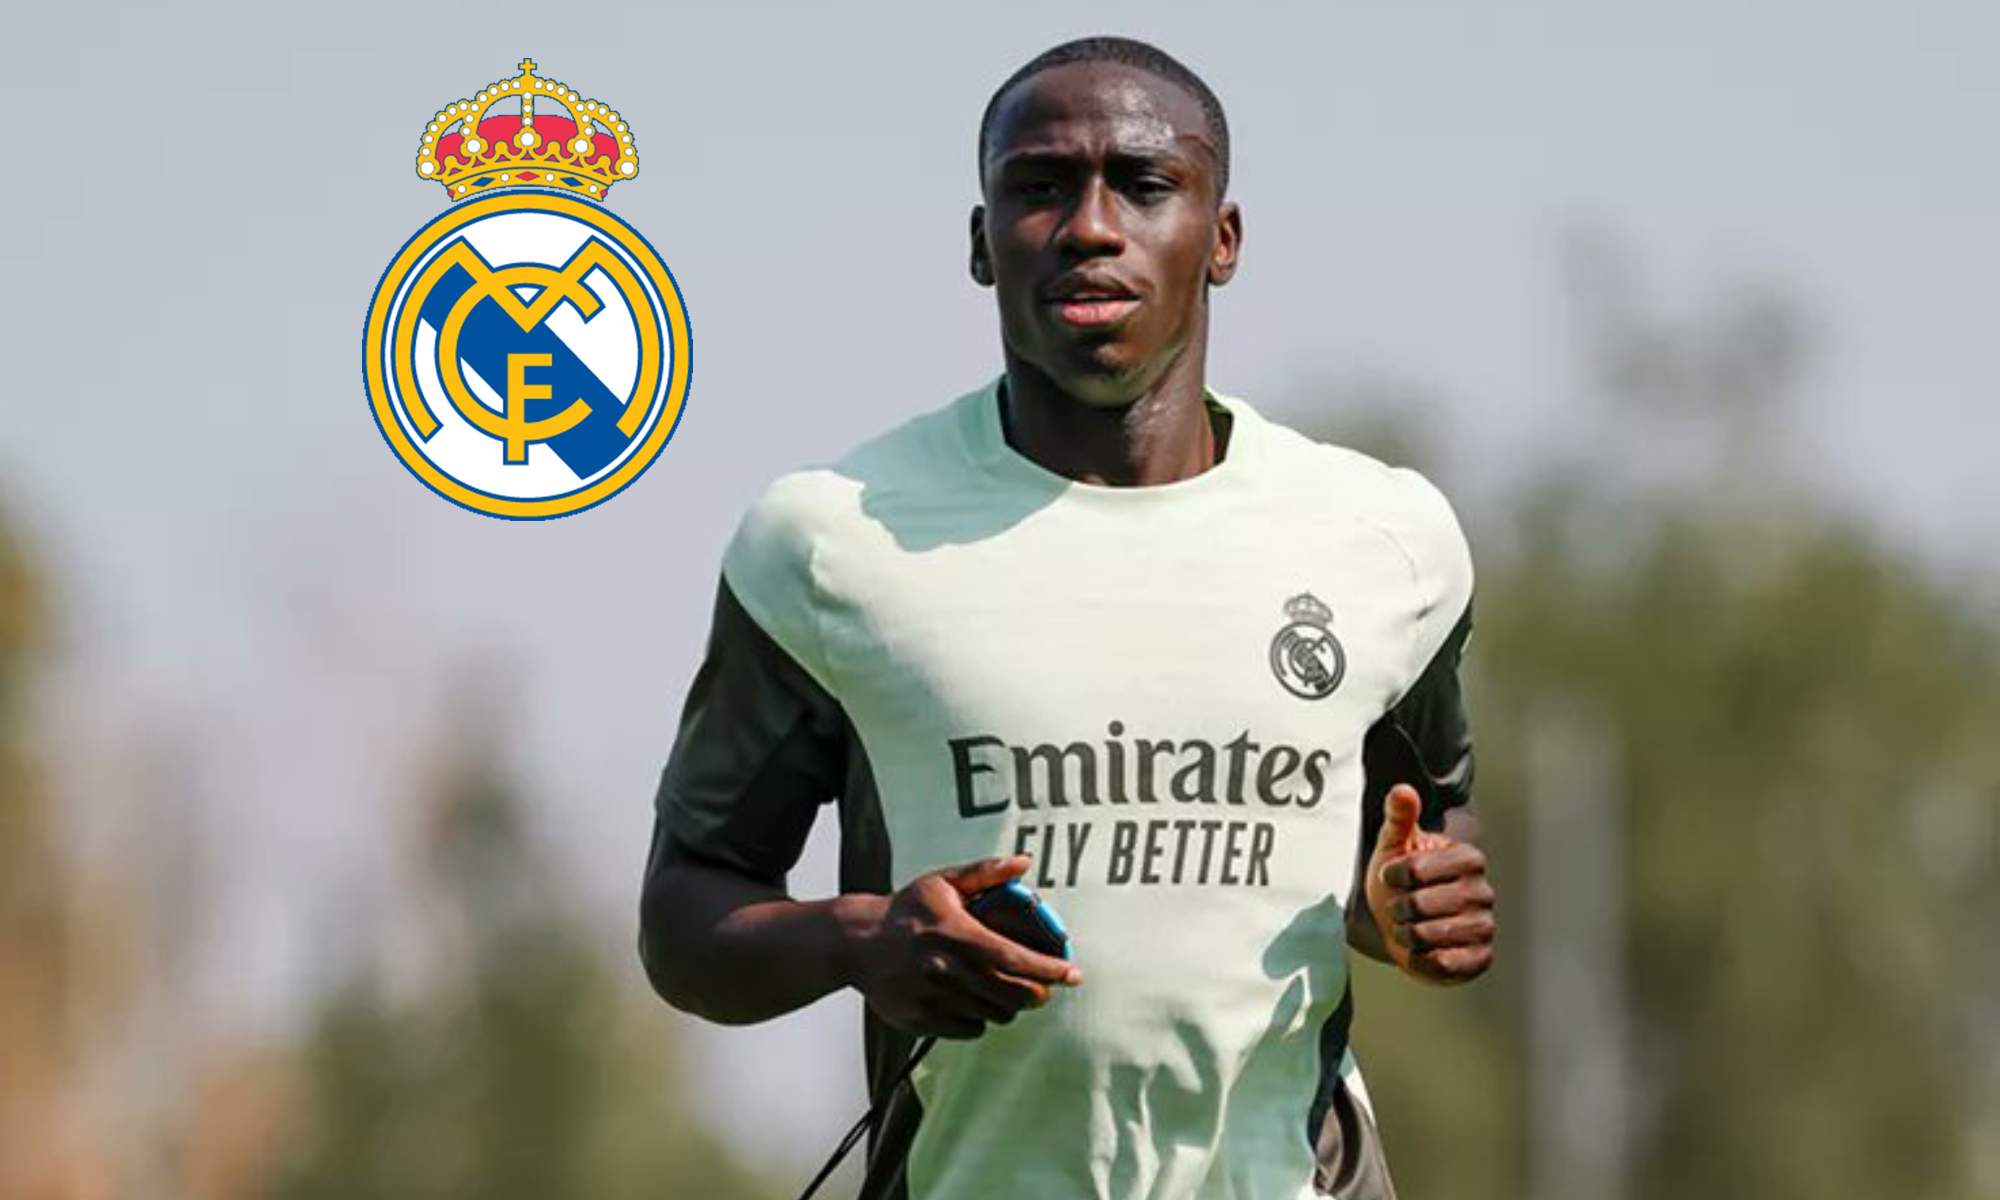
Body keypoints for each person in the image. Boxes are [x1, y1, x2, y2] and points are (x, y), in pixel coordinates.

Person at [639, 35, 1496, 1200]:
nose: (1090, 227)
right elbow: (684, 917)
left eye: (1142, 185)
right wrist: (858, 940)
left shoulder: (1384, 540)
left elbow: (1414, 839)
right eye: (1039, 187)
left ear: (1221, 239)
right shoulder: (831, 542)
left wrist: (1406, 909)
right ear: (981, 242)